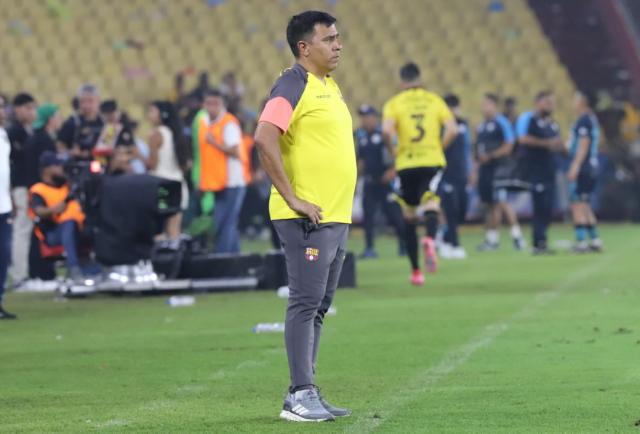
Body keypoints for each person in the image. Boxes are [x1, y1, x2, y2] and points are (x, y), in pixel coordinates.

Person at [254, 10, 355, 422]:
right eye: (329, 39)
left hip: (334, 216)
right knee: (305, 302)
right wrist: (293, 198)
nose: (338, 45)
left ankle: (306, 388)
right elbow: (264, 137)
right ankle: (299, 394)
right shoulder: (292, 84)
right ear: (304, 47)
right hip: (307, 218)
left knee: (318, 305)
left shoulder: (328, 86)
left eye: (337, 38)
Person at [382, 62, 458, 285]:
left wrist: (393, 151)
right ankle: (430, 238)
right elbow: (452, 129)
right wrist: (439, 147)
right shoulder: (434, 100)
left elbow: (386, 131)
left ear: (401, 81)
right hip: (431, 160)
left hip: (406, 163)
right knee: (431, 201)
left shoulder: (394, 103)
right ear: (419, 79)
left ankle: (416, 271)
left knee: (409, 216)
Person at [197, 89, 249, 254]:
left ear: (223, 105)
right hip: (218, 182)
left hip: (233, 182)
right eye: (208, 103)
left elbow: (235, 151)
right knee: (224, 223)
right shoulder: (205, 122)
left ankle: (223, 258)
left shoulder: (229, 123)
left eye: (216, 104)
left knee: (226, 223)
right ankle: (235, 259)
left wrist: (215, 143)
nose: (212, 107)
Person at [474, 94, 524, 251]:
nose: (484, 108)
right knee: (490, 204)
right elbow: (478, 149)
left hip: (500, 169)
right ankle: (492, 239)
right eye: (483, 105)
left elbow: (509, 145)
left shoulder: (502, 122)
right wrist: (476, 167)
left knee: (501, 201)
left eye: (487, 104)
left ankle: (517, 236)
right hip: (485, 170)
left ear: (494, 106)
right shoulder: (481, 126)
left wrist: (491, 155)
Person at [355, 104, 405, 259]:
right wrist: (356, 179)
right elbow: (361, 161)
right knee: (368, 216)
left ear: (374, 118)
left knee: (395, 215)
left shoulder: (384, 135)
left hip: (385, 182)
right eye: (362, 117)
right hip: (370, 182)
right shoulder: (361, 137)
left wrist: (393, 171)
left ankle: (404, 246)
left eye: (367, 117)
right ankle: (369, 248)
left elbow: (397, 154)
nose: (364, 120)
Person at [516, 91, 563, 254]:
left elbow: (557, 142)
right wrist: (547, 143)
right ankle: (538, 242)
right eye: (547, 102)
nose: (550, 105)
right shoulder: (530, 120)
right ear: (537, 103)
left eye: (552, 102)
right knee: (540, 205)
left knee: (548, 207)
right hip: (536, 170)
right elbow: (523, 139)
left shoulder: (552, 124)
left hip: (550, 171)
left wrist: (561, 146)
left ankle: (542, 240)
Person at [28, 152, 86, 282]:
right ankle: (74, 269)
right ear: (47, 169)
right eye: (58, 166)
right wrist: (58, 207)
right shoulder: (39, 189)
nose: (62, 168)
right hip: (53, 233)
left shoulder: (68, 185)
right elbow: (39, 211)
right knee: (69, 225)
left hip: (78, 228)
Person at [146, 101, 190, 244]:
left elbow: (152, 164)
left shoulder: (156, 135)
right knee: (174, 232)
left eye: (152, 111)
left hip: (162, 186)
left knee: (158, 232)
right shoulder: (177, 134)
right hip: (178, 184)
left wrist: (137, 155)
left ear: (163, 115)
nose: (149, 115)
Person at [568, 91, 602, 252]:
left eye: (576, 99)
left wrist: (575, 166)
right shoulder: (592, 119)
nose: (573, 102)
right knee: (585, 203)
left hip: (584, 166)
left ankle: (581, 242)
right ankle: (595, 240)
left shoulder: (584, 120)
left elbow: (584, 144)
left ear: (582, 101)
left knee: (577, 203)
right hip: (592, 165)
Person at [8, 93, 37, 286]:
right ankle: (19, 276)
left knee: (23, 230)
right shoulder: (13, 132)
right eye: (28, 108)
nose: (32, 112)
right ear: (17, 109)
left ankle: (23, 272)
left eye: (33, 108)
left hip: (26, 186)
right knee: (21, 230)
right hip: (19, 186)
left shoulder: (28, 131)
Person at [438, 94, 471, 259]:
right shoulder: (440, 126)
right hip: (446, 173)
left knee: (462, 210)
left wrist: (471, 170)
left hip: (461, 173)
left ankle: (444, 237)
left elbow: (467, 149)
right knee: (451, 209)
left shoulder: (463, 124)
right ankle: (453, 243)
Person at [0, 95, 17, 319]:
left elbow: (5, 170)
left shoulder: (3, 135)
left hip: (3, 205)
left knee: (3, 255)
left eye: (2, 107)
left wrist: (10, 197)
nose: (1, 111)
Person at [57, 84, 104, 159]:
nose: (86, 106)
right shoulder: (72, 122)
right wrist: (70, 152)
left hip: (101, 160)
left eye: (90, 101)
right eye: (83, 101)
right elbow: (60, 144)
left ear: (98, 101)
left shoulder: (105, 122)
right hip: (76, 162)